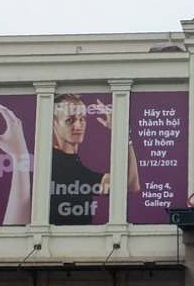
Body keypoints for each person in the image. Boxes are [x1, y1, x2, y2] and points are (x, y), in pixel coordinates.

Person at [50, 94, 141, 225]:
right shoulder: (56, 163)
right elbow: (130, 184)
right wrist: (123, 133)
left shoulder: (72, 162)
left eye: (82, 119)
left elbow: (131, 184)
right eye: (70, 120)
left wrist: (124, 134)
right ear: (54, 124)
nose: (78, 126)